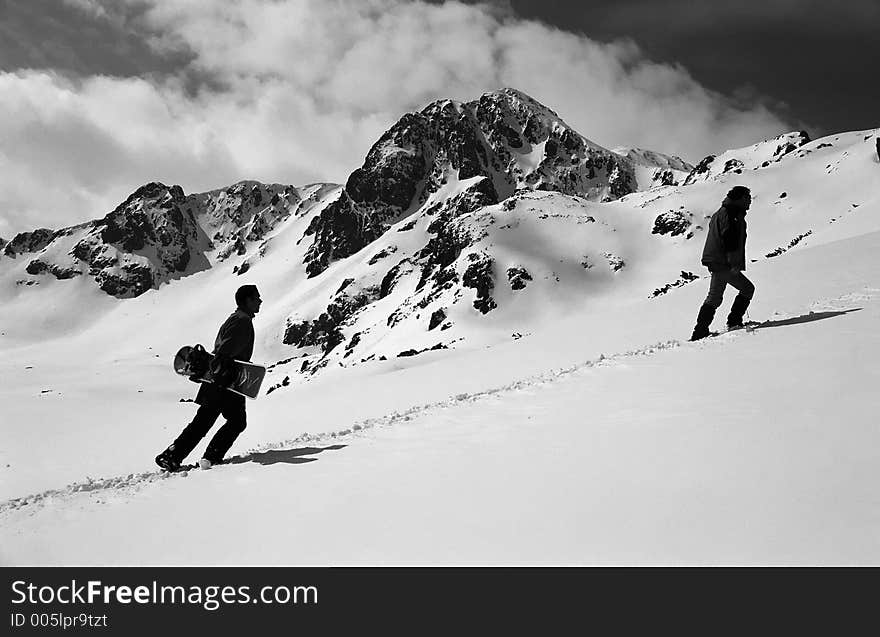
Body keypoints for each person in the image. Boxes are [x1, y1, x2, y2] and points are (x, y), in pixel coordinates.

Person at [156, 285, 262, 471]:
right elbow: (225, 351)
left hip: (218, 378)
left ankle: (173, 455)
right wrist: (221, 373)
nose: (260, 301)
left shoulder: (235, 318)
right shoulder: (242, 321)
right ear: (247, 300)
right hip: (227, 380)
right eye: (256, 298)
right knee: (235, 422)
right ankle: (210, 457)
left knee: (204, 421)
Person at [690, 186, 755, 341]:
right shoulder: (731, 214)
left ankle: (700, 332)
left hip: (716, 261)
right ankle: (733, 322)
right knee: (747, 289)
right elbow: (730, 240)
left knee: (714, 297)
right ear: (740, 198)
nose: (749, 202)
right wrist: (733, 263)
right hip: (722, 262)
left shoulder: (723, 212)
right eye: (747, 199)